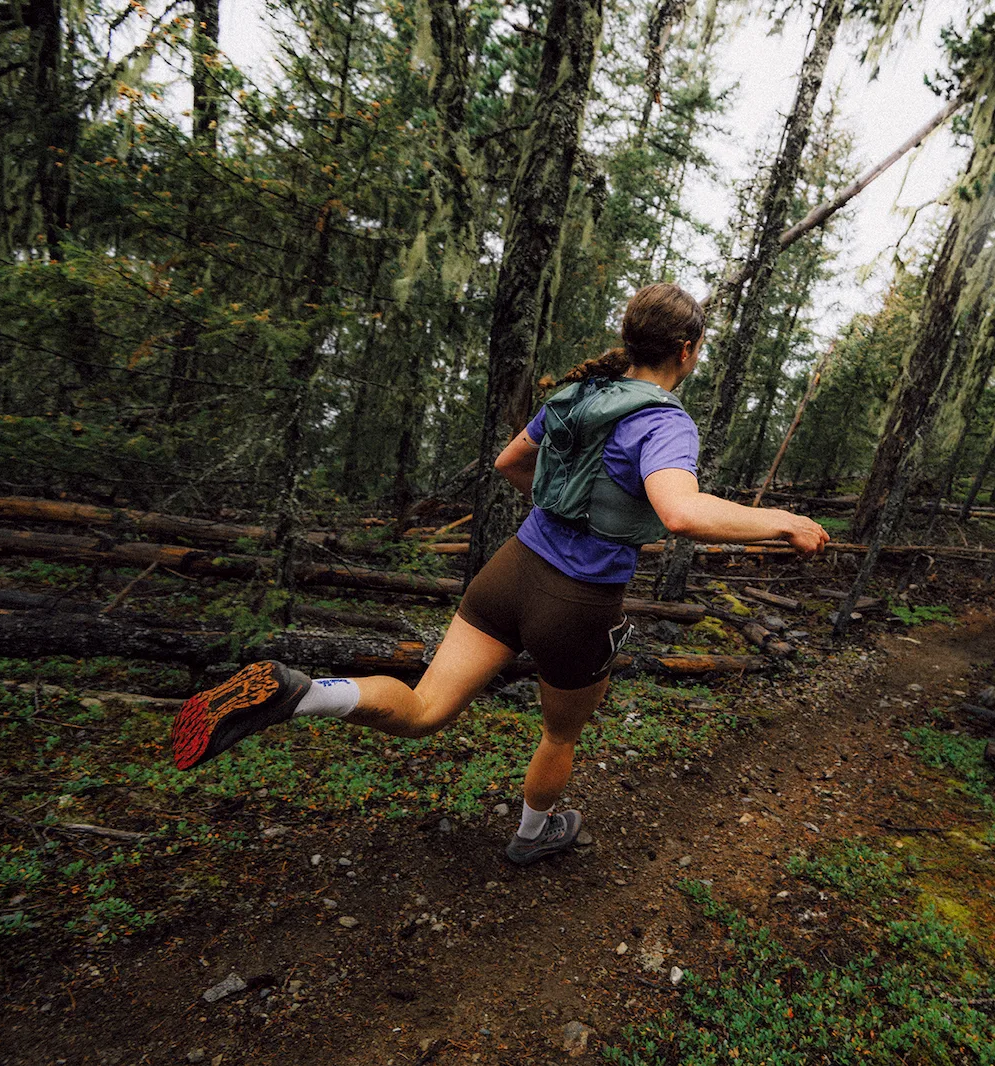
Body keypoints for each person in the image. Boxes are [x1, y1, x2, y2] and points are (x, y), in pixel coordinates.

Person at [167, 283, 829, 865]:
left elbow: (511, 463)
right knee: (561, 731)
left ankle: (303, 693)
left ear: (632, 336)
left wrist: (558, 507)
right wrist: (781, 519)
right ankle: (535, 834)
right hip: (578, 603)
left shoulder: (579, 394)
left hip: (510, 571)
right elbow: (680, 513)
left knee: (425, 706)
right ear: (687, 350)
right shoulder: (662, 421)